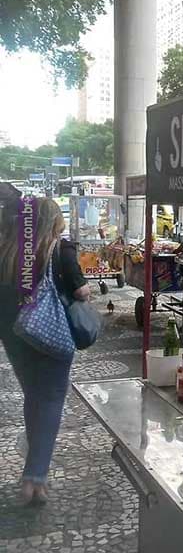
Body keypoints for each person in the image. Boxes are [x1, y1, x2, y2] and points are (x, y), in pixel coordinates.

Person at [0, 192, 90, 504]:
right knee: (51, 398)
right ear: (53, 222)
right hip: (50, 334)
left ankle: (36, 474)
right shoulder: (60, 249)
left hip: (14, 336)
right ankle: (34, 477)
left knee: (34, 396)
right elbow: (81, 291)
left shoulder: (7, 250)